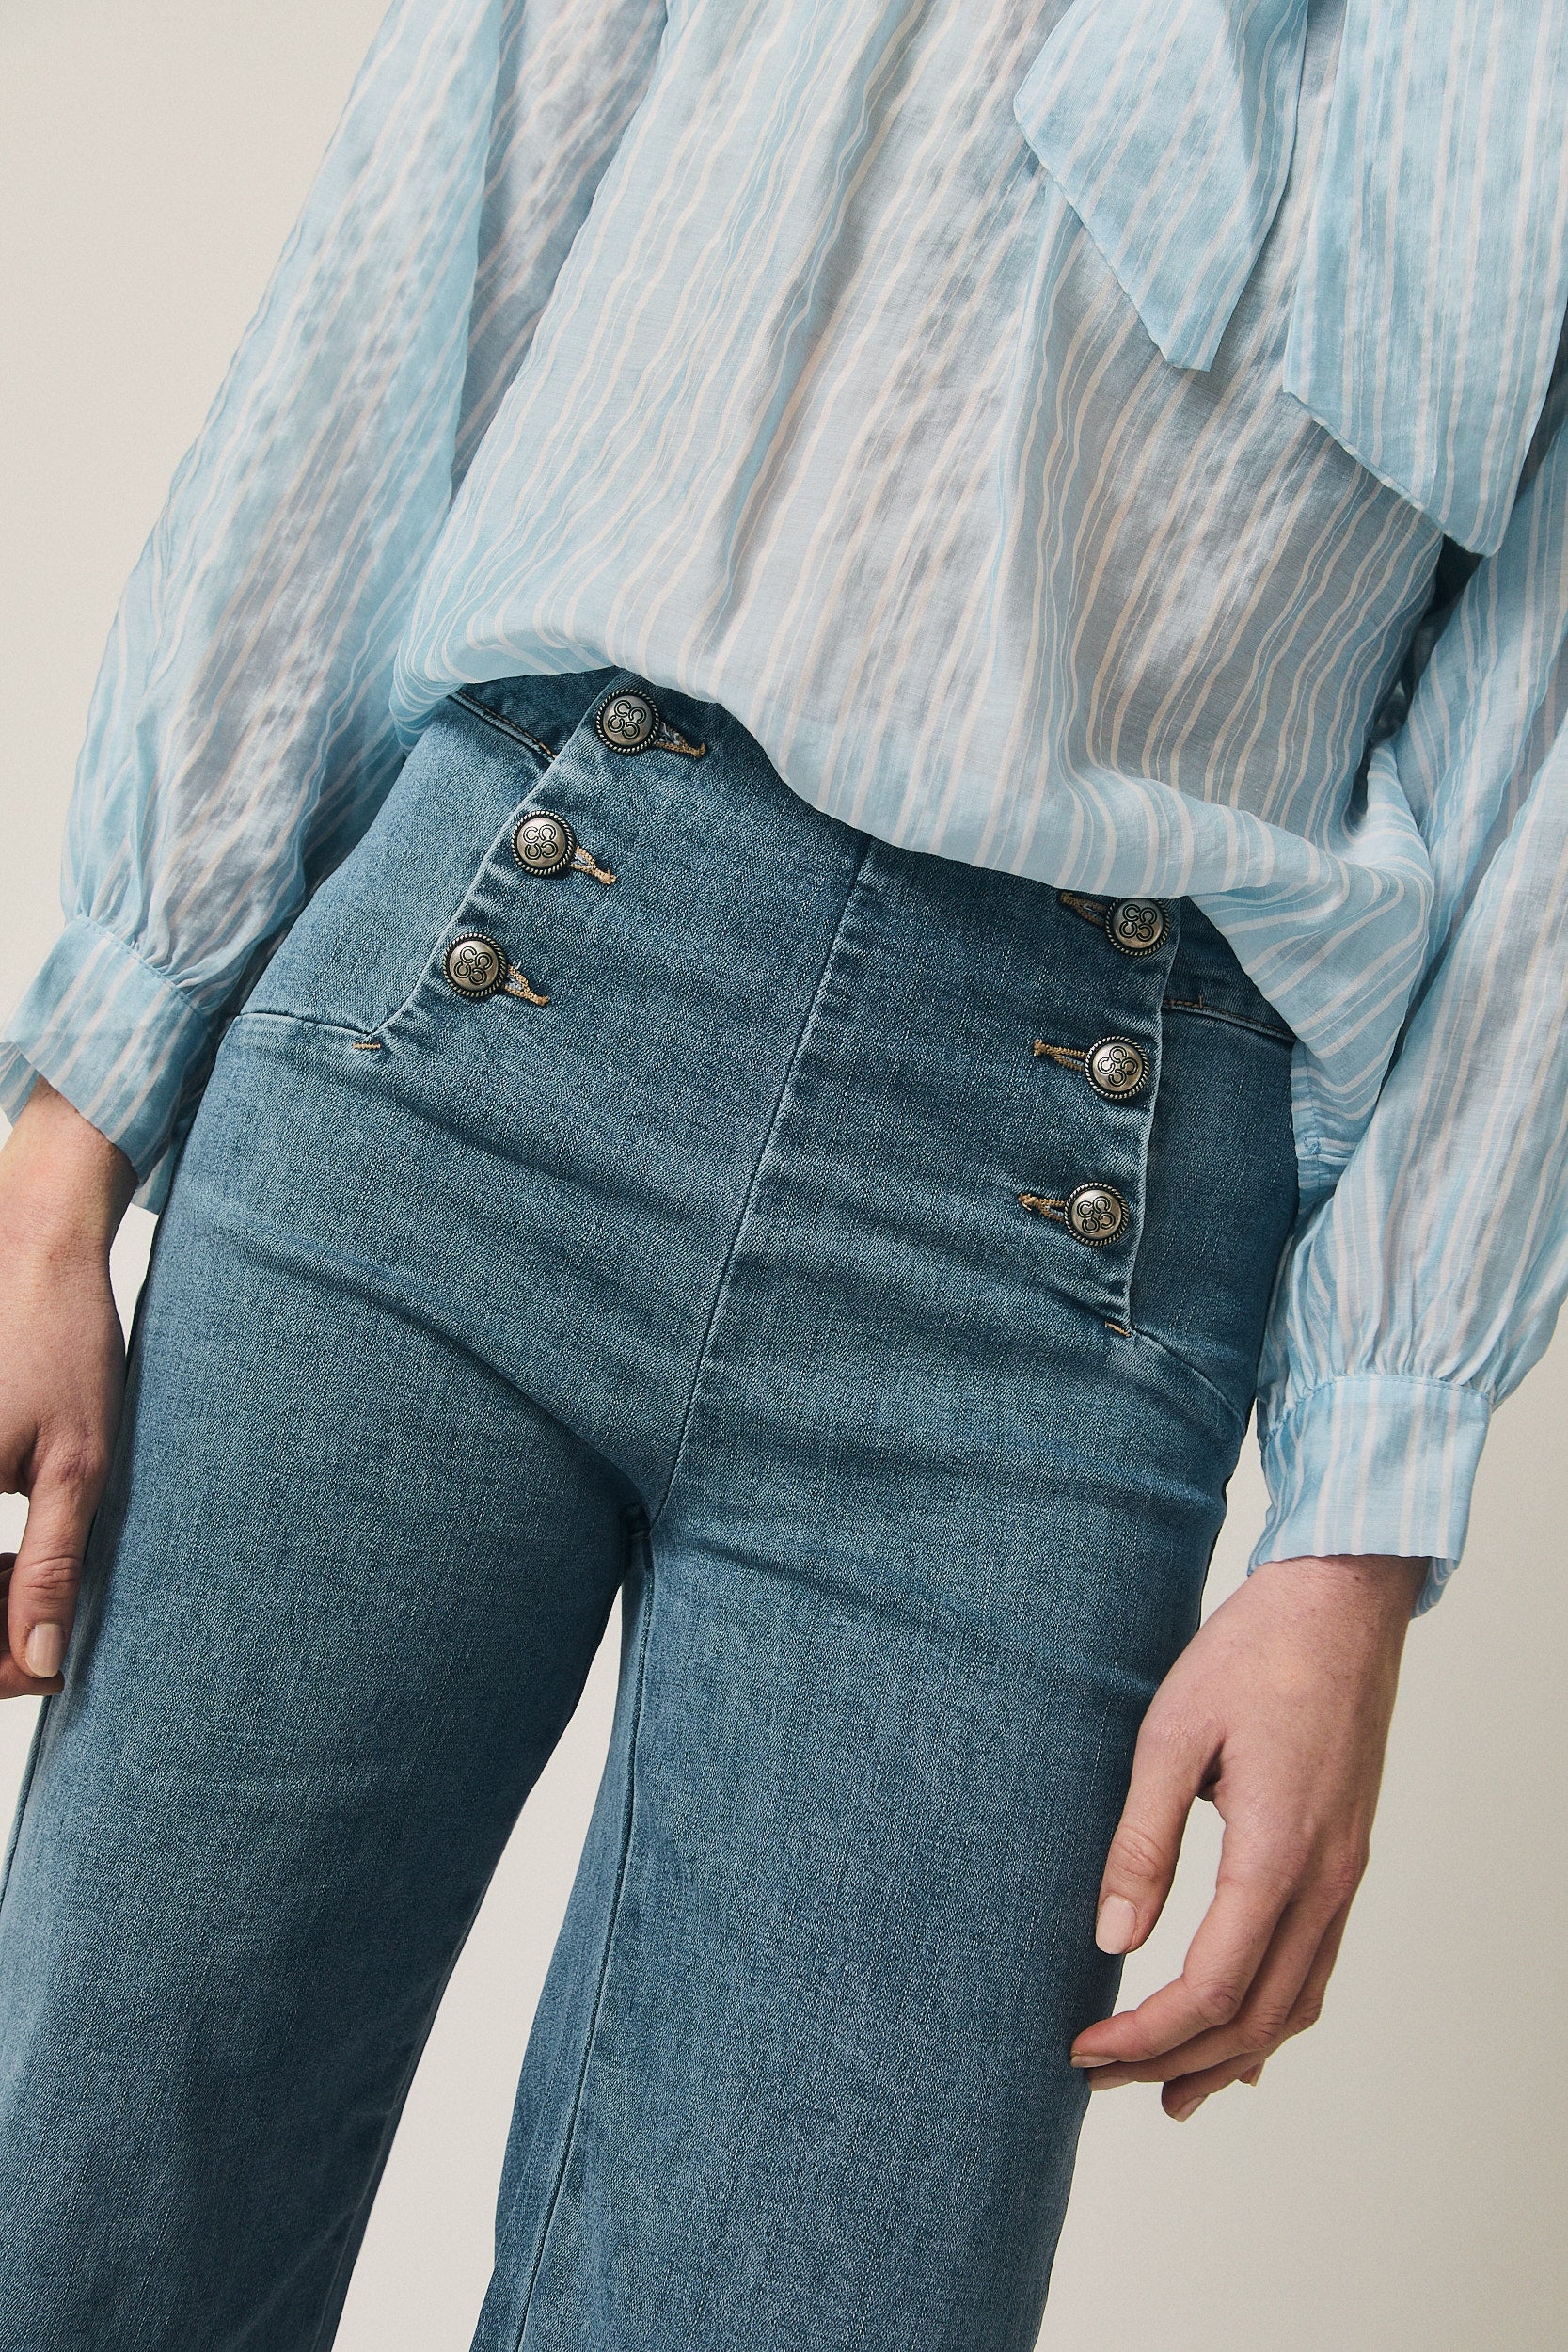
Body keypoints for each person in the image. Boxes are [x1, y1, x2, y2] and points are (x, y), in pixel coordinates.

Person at [0, 0, 1564, 2344]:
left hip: (1055, 1251)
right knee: (82, 2239)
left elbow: (1547, 786)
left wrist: (1361, 1526)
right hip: (495, 978)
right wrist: (70, 1133)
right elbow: (416, 272)